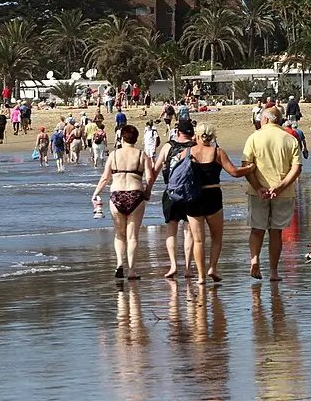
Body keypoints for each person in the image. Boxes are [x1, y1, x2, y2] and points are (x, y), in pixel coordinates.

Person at [181, 121, 253, 284]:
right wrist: (250, 168)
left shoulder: (186, 153)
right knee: (216, 236)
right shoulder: (217, 152)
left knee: (198, 240)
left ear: (196, 135)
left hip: (192, 197)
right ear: (212, 136)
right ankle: (212, 267)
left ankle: (201, 277)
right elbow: (234, 172)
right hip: (212, 195)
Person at [242, 107, 303, 281]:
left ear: (266, 119)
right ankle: (274, 272)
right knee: (276, 232)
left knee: (257, 229)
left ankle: (255, 259)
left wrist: (258, 187)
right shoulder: (290, 139)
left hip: (258, 192)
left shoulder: (254, 137)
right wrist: (281, 186)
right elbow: (297, 168)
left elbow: (246, 166)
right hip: (283, 192)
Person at [92, 124, 154, 280]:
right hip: (136, 194)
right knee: (132, 236)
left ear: (121, 138)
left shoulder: (113, 155)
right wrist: (147, 192)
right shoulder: (142, 155)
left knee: (119, 235)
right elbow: (150, 177)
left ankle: (119, 263)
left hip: (117, 195)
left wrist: (95, 193)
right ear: (136, 138)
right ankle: (132, 270)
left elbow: (105, 178)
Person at [152, 119, 196, 279]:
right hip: (191, 193)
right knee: (189, 231)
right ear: (192, 133)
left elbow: (156, 170)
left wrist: (148, 188)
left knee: (171, 229)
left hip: (171, 192)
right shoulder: (196, 147)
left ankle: (173, 265)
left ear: (177, 132)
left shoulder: (168, 146)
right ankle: (188, 268)